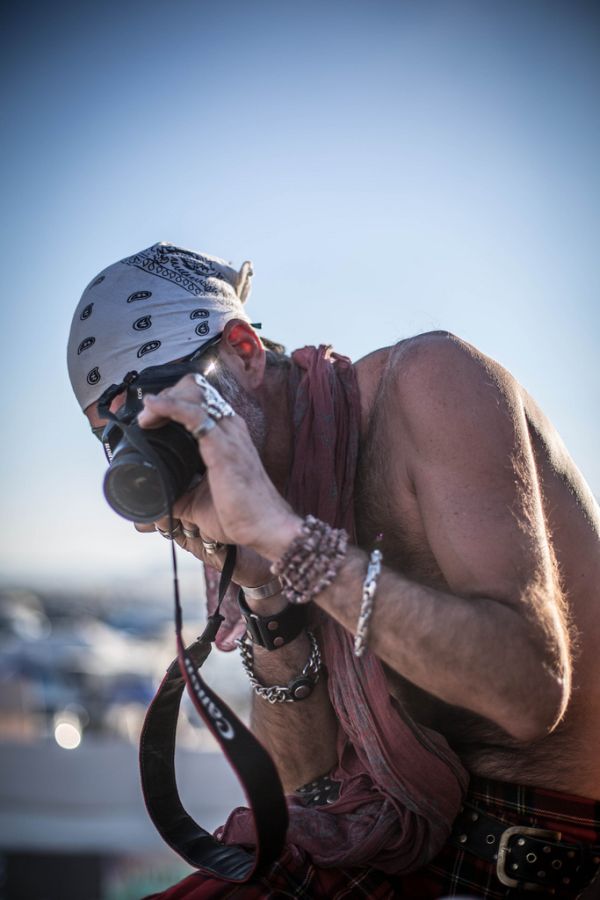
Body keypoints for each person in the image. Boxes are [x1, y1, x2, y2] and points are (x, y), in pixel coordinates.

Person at [68, 243, 600, 899]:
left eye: (165, 407)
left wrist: (291, 542)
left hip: (545, 856)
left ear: (244, 351)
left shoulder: (430, 384)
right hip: (389, 851)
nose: (164, 437)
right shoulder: (246, 500)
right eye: (122, 435)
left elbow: (530, 693)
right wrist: (264, 589)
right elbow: (304, 783)